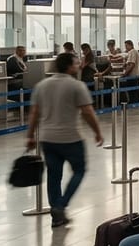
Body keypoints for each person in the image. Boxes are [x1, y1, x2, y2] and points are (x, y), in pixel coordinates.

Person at [25, 53, 104, 227]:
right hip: (71, 138)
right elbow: (87, 112)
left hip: (47, 139)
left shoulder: (42, 86)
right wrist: (97, 132)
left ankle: (57, 216)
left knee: (54, 176)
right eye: (76, 64)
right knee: (79, 170)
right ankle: (60, 206)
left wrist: (30, 135)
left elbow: (34, 113)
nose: (78, 66)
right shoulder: (76, 86)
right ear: (69, 67)